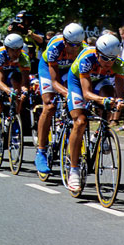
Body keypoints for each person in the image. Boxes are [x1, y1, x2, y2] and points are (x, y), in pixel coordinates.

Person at [66, 34, 124, 191]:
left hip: (99, 81)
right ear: (97, 53)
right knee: (80, 122)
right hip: (78, 83)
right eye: (105, 59)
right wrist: (102, 100)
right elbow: (86, 93)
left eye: (112, 59)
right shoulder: (87, 58)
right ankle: (74, 170)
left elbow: (120, 93)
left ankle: (100, 133)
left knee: (109, 93)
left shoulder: (118, 64)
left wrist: (119, 102)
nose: (109, 63)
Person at [34, 23, 85, 174]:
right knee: (49, 105)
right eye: (71, 45)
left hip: (69, 71)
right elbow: (54, 82)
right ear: (64, 40)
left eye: (78, 45)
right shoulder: (55, 48)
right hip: (49, 69)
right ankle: (41, 151)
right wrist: (67, 94)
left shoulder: (83, 49)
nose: (74, 48)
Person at [0, 34, 30, 164]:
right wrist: (8, 91)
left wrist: (24, 90)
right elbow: (0, 82)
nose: (16, 53)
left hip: (13, 73)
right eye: (13, 50)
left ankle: (15, 119)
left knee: (18, 93)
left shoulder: (23, 57)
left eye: (18, 50)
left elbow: (25, 81)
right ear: (6, 48)